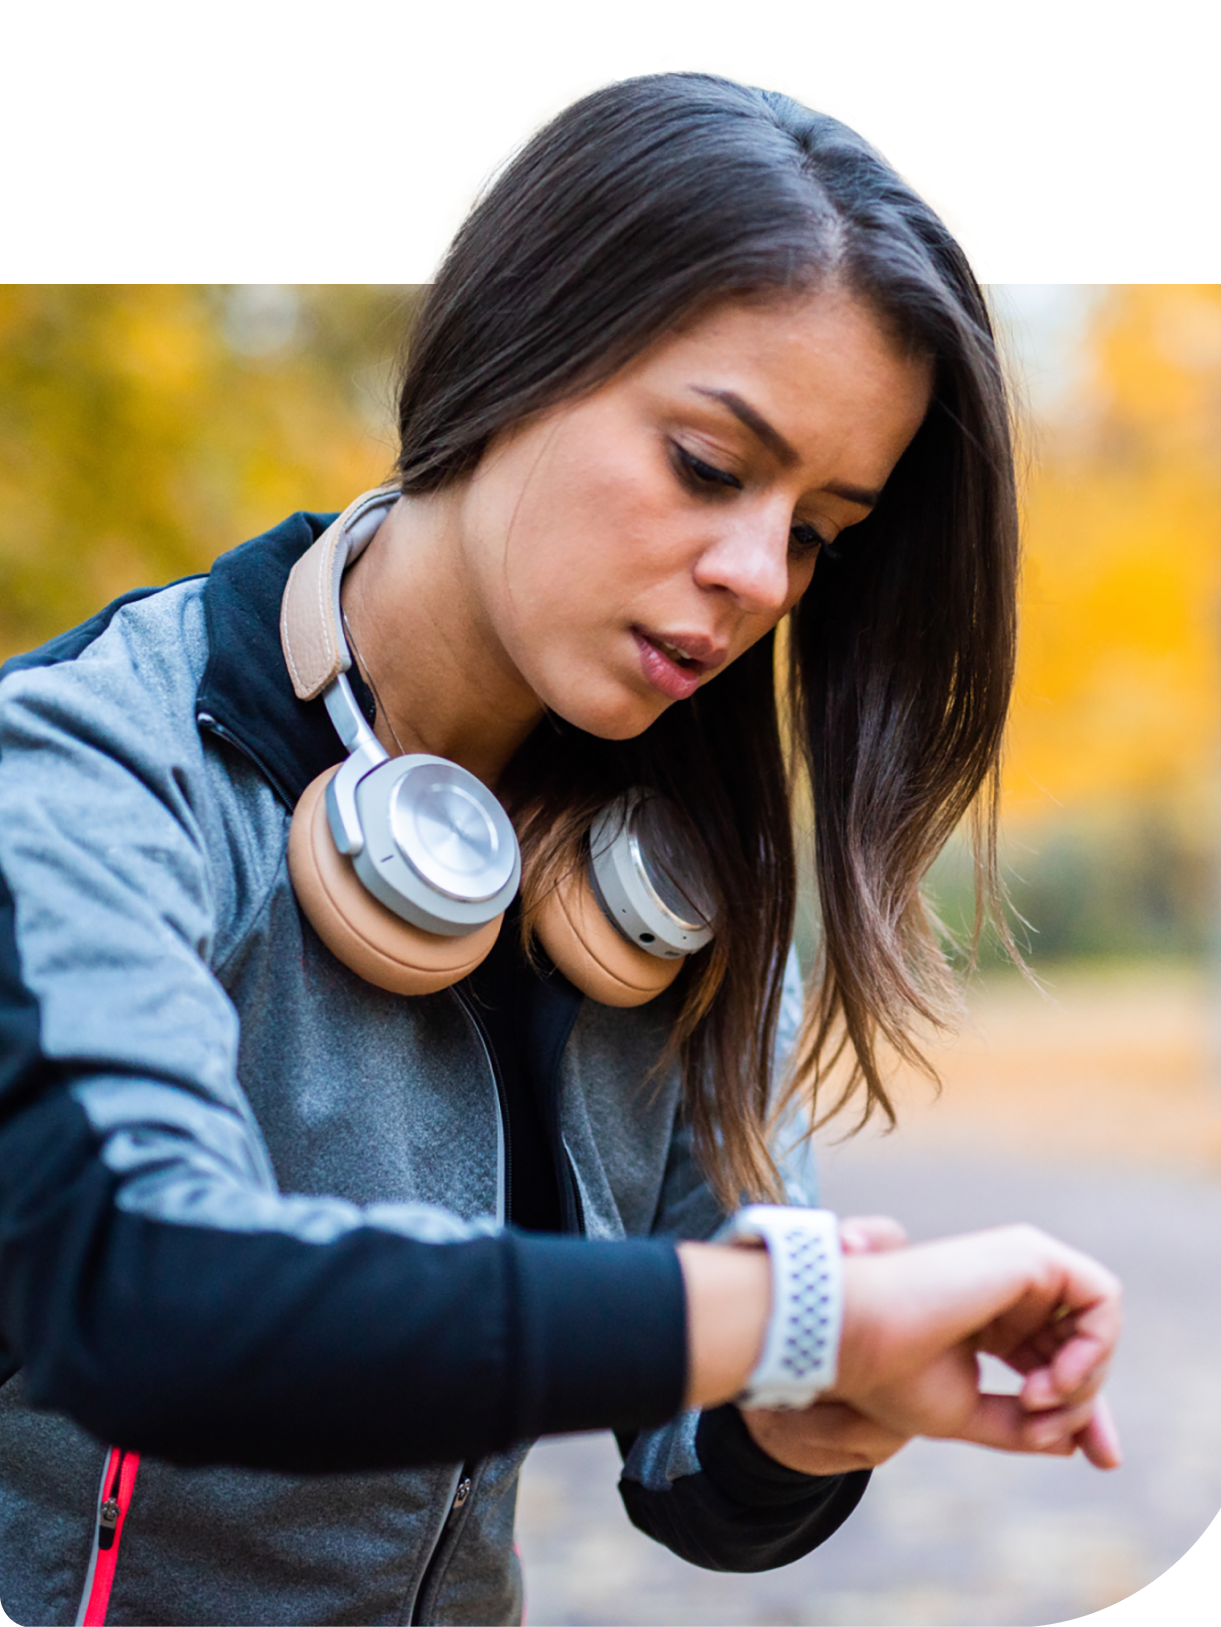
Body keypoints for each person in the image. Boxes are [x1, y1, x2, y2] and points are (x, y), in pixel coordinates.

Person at [0, 65, 1121, 1627]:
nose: (757, 577)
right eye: (710, 466)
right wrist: (790, 1307)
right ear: (517, 347)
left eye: (818, 532)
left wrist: (811, 1403)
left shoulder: (670, 872)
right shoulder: (78, 766)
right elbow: (146, 1290)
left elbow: (704, 1477)